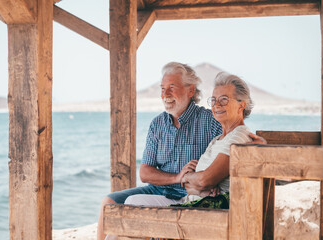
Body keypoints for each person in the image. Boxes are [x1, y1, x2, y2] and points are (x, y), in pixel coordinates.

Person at [97, 63, 264, 240]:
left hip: (191, 196)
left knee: (128, 217)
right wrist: (180, 177)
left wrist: (259, 147)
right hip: (161, 190)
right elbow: (145, 172)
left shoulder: (211, 120)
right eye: (162, 89)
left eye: (171, 88)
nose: (165, 94)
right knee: (109, 203)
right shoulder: (158, 124)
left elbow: (234, 137)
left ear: (190, 91)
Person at [124, 71, 253, 208]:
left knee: (131, 204)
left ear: (241, 105)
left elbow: (205, 179)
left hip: (202, 208)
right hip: (194, 201)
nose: (217, 105)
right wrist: (196, 186)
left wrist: (186, 178)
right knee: (129, 202)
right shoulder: (218, 139)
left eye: (224, 99)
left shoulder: (237, 136)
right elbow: (192, 186)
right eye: (214, 100)